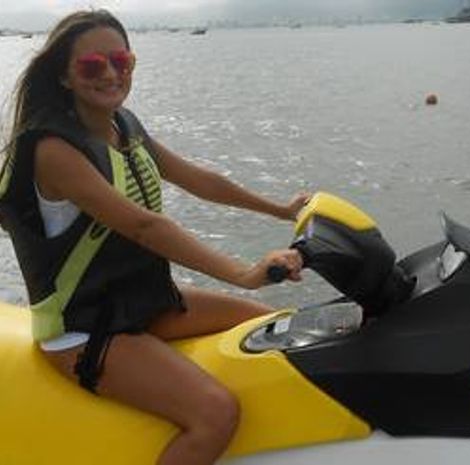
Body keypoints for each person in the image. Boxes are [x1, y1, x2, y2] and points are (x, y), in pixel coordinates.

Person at [0, 9, 306, 465]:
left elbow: (199, 180)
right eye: (92, 66)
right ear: (64, 76)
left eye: (121, 61)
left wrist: (281, 209)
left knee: (274, 327)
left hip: (140, 302)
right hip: (82, 328)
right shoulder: (53, 151)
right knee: (216, 412)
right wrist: (244, 274)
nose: (110, 74)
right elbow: (145, 227)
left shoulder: (123, 126)